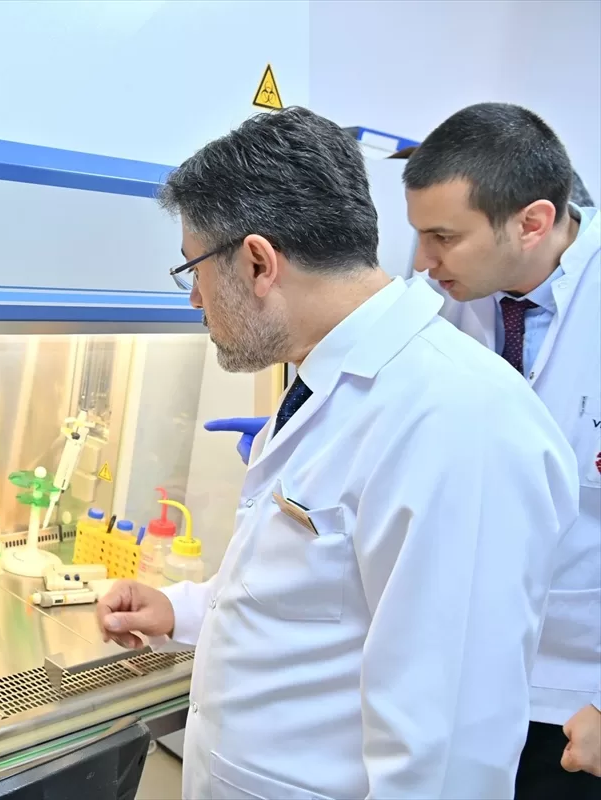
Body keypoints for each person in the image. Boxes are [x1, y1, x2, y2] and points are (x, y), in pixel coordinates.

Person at [96, 106, 579, 798]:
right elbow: (317, 597)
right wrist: (183, 611)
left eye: (194, 269)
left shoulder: (458, 422)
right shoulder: (323, 379)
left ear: (258, 262)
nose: (195, 298)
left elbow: (445, 757)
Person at [402, 103, 601, 795]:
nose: (423, 262)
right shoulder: (441, 294)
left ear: (533, 222)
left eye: (443, 238)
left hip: (578, 699)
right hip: (455, 679)